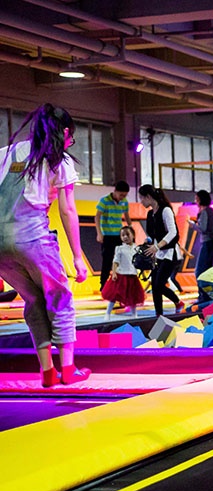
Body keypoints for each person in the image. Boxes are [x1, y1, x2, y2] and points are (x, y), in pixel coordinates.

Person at [0, 103, 90, 387]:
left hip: (0, 245)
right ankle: (68, 369)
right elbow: (67, 210)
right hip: (32, 236)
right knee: (59, 298)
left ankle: (47, 372)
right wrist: (77, 257)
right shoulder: (58, 160)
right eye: (71, 137)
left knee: (33, 300)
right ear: (65, 133)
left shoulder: (7, 153)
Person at [139, 184, 185, 316]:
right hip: (158, 254)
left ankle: (178, 302)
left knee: (159, 284)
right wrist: (150, 243)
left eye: (142, 198)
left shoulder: (166, 210)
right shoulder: (150, 214)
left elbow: (173, 232)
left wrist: (157, 246)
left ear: (148, 197)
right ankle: (158, 314)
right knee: (155, 285)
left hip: (170, 254)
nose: (141, 201)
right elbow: (153, 235)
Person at [101, 226, 145, 320]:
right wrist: (114, 273)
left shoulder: (137, 248)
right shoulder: (119, 248)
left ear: (133, 235)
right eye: (123, 235)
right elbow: (115, 261)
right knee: (114, 296)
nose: (125, 237)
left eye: (127, 235)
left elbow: (139, 263)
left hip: (132, 276)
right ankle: (107, 313)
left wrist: (143, 273)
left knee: (133, 296)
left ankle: (134, 314)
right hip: (121, 275)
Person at [95, 181, 131, 290]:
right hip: (107, 235)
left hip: (119, 235)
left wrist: (130, 228)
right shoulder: (105, 201)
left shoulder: (124, 202)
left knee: (121, 260)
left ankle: (120, 285)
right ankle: (103, 285)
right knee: (107, 261)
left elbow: (127, 216)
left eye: (124, 195)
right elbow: (97, 217)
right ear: (115, 191)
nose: (122, 197)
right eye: (121, 195)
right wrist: (99, 233)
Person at [188, 189, 213, 278]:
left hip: (207, 242)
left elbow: (203, 229)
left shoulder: (204, 212)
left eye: (197, 199)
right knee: (207, 270)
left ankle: (203, 287)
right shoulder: (211, 211)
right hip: (211, 242)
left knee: (200, 271)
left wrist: (193, 225)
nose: (195, 201)